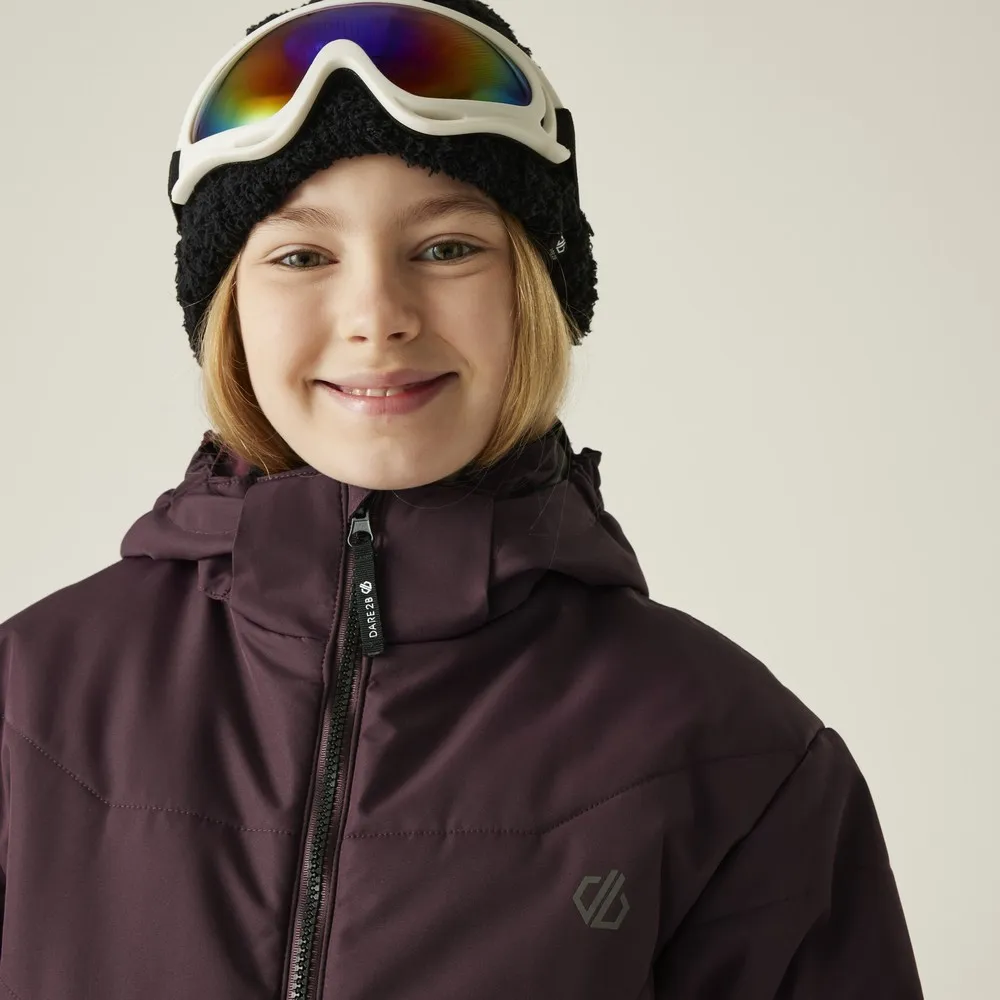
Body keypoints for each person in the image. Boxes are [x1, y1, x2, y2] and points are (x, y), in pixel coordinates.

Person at [0, 1, 925, 997]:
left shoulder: (735, 756)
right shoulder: (29, 703)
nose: (377, 317)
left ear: (536, 290)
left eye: (446, 248)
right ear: (228, 309)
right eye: (302, 256)